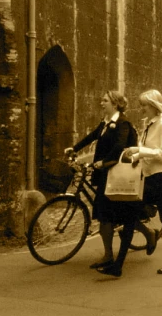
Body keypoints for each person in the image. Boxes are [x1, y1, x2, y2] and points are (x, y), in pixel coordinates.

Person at [65, 90, 154, 272]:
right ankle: (108, 254)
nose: (101, 103)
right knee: (105, 214)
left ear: (115, 104)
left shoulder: (123, 123)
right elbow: (92, 136)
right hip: (105, 173)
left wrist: (104, 162)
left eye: (105, 100)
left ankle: (147, 234)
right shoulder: (106, 123)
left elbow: (120, 146)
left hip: (118, 175)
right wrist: (73, 149)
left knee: (118, 213)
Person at [104, 89, 162, 277]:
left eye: (144, 105)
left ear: (155, 106)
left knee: (158, 217)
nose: (141, 109)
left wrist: (137, 150)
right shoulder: (149, 124)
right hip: (150, 176)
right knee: (146, 216)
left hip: (161, 177)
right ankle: (119, 265)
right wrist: (136, 155)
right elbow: (149, 151)